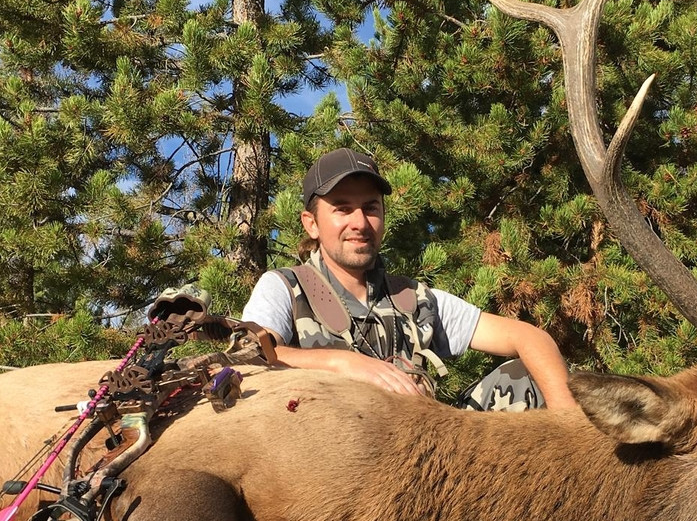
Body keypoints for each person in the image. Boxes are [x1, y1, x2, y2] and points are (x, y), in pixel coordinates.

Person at [241, 148, 578, 411]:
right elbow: (249, 357)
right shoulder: (285, 287)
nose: (360, 222)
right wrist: (342, 363)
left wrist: (569, 422)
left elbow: (527, 337)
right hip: (334, 465)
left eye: (371, 208)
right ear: (311, 223)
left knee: (525, 375)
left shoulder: (413, 298)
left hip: (426, 454)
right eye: (342, 209)